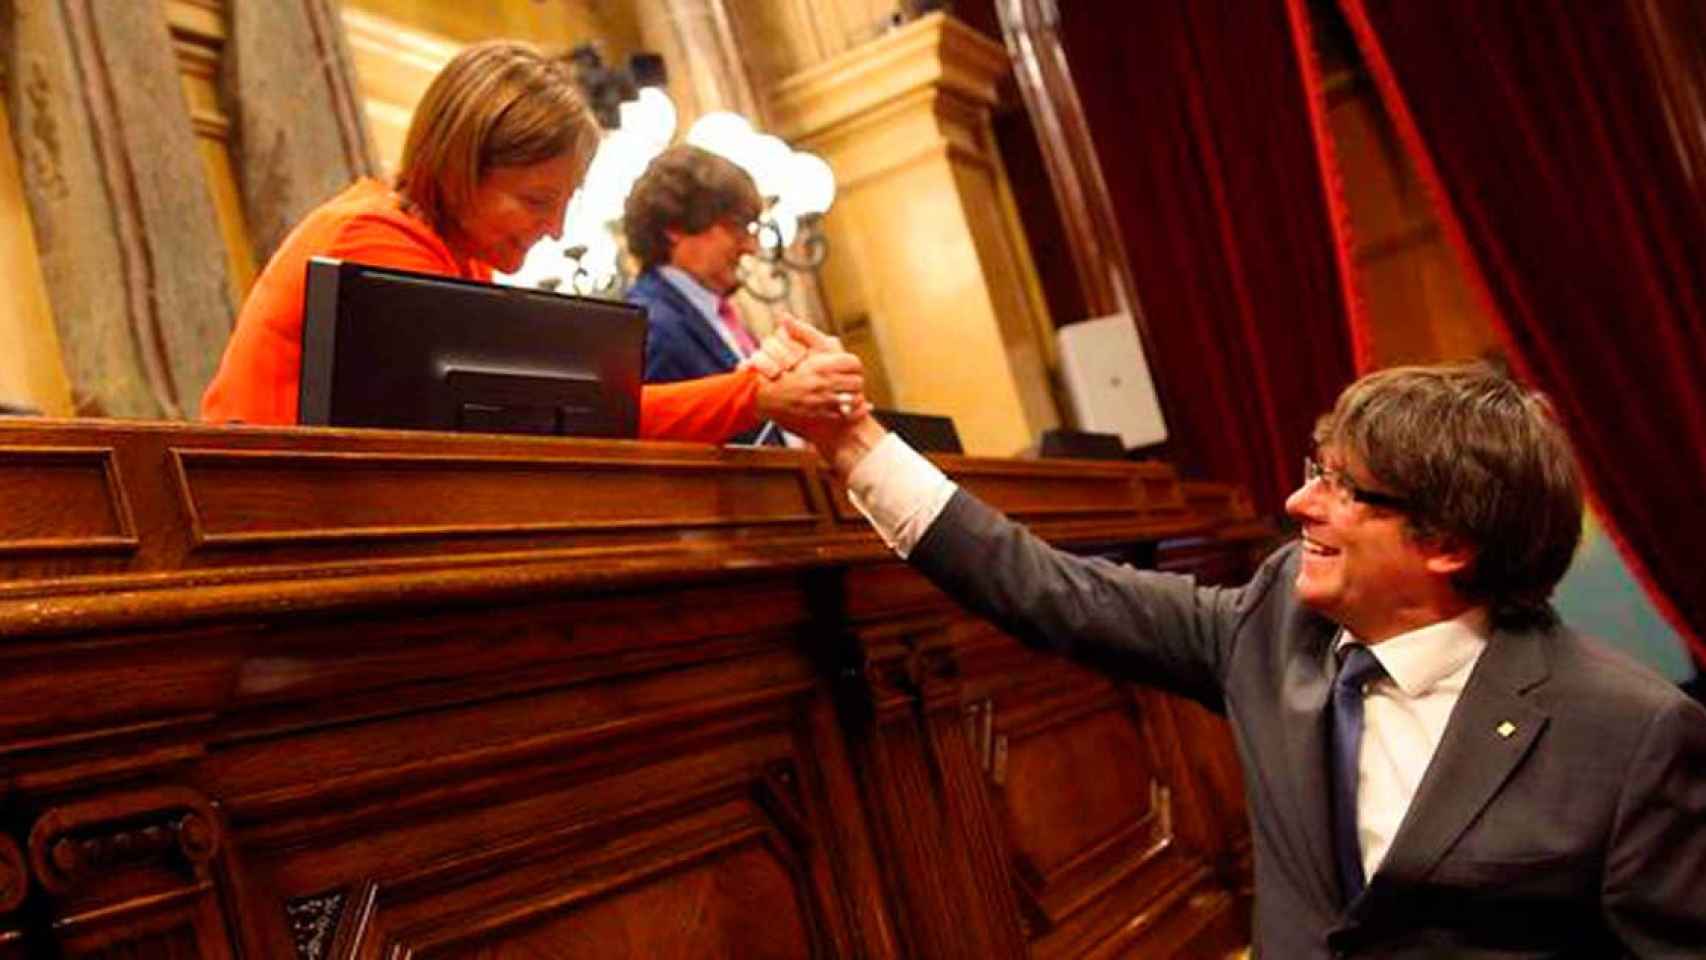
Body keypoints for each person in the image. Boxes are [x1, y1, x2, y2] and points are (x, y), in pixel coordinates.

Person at [766, 347, 1706, 958]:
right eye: (1315, 473)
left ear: (1448, 544)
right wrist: (852, 441)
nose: (1300, 507)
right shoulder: (1273, 630)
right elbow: (1048, 591)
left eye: (1346, 490)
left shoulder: (1627, 731)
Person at [202, 41, 858, 443]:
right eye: (538, 201)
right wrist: (754, 394)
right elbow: (556, 413)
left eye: (567, 202)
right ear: (459, 166)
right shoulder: (373, 240)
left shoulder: (457, 255)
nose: (557, 230)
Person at [622, 145, 773, 442]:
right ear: (675, 228)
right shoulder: (647, 324)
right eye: (736, 228)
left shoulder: (718, 312)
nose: (751, 247)